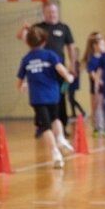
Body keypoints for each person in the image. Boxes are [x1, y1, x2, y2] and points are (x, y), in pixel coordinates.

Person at [16, 26, 76, 169]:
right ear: (44, 41)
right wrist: (68, 77)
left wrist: (21, 87)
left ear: (28, 43)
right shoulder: (50, 55)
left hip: (37, 98)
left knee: (46, 126)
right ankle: (60, 138)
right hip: (52, 95)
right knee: (56, 119)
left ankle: (55, 152)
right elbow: (60, 68)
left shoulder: (26, 59)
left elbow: (19, 81)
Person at [17, 1, 78, 131]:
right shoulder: (38, 27)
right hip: (40, 70)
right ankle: (42, 126)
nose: (52, 14)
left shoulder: (64, 28)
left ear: (58, 12)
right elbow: (21, 37)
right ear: (44, 13)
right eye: (49, 12)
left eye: (54, 12)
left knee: (60, 97)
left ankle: (61, 126)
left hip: (57, 69)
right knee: (39, 96)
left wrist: (72, 65)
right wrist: (23, 28)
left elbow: (71, 47)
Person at [84, 32, 105, 136]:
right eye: (101, 44)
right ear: (95, 46)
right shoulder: (93, 59)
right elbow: (91, 72)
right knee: (96, 106)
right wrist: (98, 80)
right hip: (96, 87)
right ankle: (97, 126)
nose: (104, 46)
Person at [67, 46, 87, 119]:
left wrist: (70, 72)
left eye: (75, 53)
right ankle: (74, 114)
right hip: (69, 83)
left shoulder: (77, 63)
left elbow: (75, 73)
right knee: (70, 99)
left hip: (73, 83)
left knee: (71, 98)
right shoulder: (71, 63)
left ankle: (82, 112)